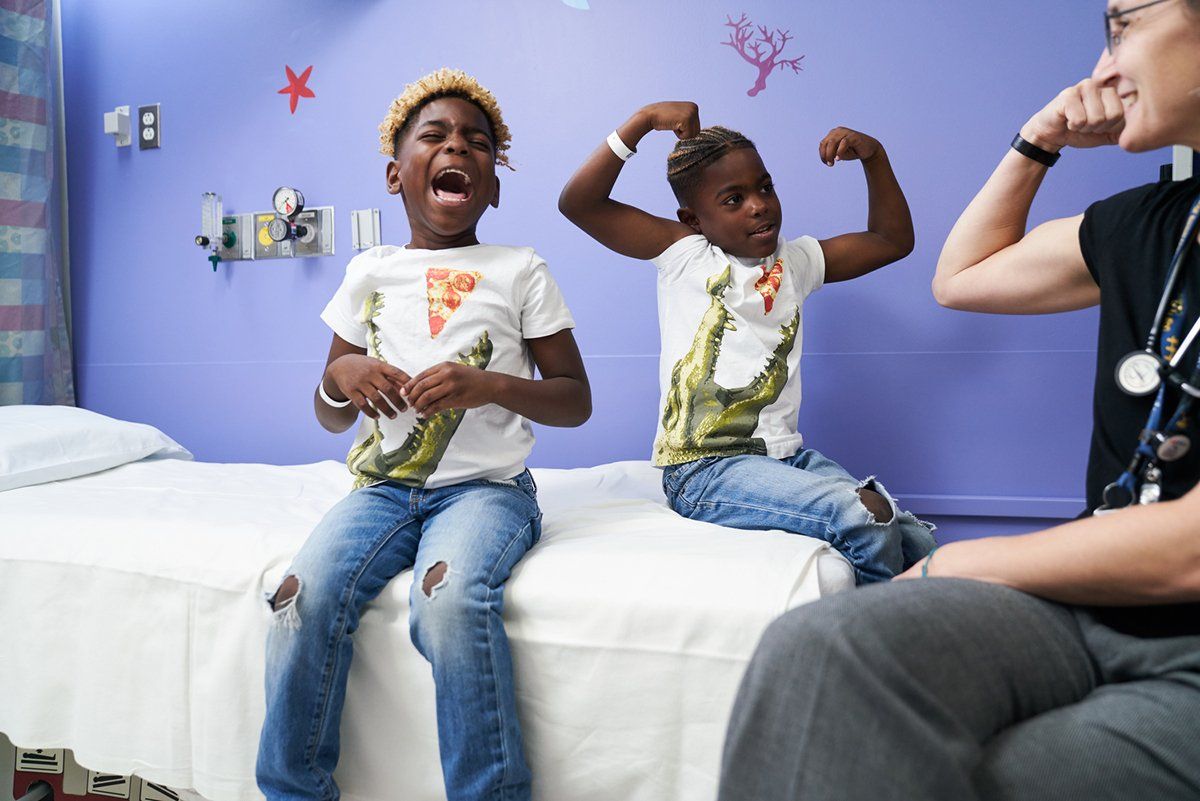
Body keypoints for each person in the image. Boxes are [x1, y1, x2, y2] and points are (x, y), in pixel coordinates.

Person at [717, 2, 1200, 798]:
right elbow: (961, 277)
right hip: (1087, 609)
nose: (1105, 68)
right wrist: (1035, 143)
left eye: (1125, 25)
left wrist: (955, 561)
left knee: (1006, 774)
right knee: (818, 647)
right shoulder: (1152, 227)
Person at [255, 68, 591, 801]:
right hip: (380, 491)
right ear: (396, 173)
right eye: (435, 136)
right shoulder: (369, 271)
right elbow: (330, 410)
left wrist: (491, 385)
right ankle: (292, 790)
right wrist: (339, 379)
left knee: (446, 603)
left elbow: (575, 400)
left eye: (478, 143)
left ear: (493, 184)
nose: (458, 148)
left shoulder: (519, 269)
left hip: (484, 492)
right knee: (297, 596)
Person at [558, 105, 936, 584]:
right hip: (704, 469)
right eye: (733, 199)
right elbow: (579, 204)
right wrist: (642, 121)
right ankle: (867, 645)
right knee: (865, 514)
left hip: (785, 457)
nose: (759, 205)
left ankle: (932, 638)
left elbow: (890, 239)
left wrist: (874, 157)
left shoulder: (796, 262)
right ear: (692, 219)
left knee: (916, 540)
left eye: (765, 187)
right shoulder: (685, 255)